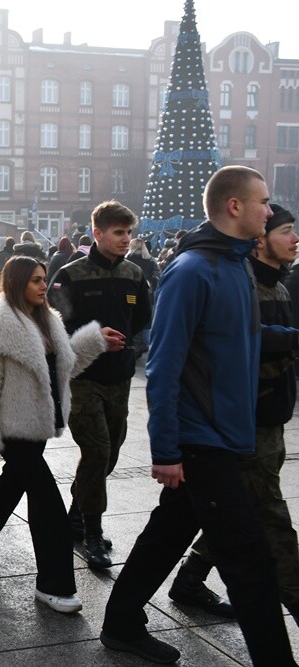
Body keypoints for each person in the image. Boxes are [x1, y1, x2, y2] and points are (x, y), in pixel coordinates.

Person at [100, 166, 298, 666]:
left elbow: (245, 340)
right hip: (201, 438)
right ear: (235, 207)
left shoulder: (234, 267)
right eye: (264, 202)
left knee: (167, 535)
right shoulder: (192, 271)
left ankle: (121, 623)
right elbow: (164, 366)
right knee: (250, 559)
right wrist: (166, 449)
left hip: (227, 435)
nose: (270, 211)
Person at [0, 255, 121, 614]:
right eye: (35, 280)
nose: (42, 285)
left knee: (14, 483)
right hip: (13, 425)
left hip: (40, 424)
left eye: (43, 279)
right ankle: (54, 584)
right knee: (48, 503)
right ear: (17, 283)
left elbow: (65, 369)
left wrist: (95, 340)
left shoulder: (48, 320)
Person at [165, 203, 299, 623]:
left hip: (270, 417)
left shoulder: (277, 286)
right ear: (261, 241)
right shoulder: (240, 285)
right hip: (244, 422)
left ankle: (186, 579)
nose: (295, 239)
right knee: (270, 519)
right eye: (287, 230)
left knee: (231, 506)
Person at [47, 201, 151, 571]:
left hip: (120, 378)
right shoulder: (71, 273)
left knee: (111, 454)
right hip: (82, 376)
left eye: (128, 233)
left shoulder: (135, 275)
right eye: (118, 233)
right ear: (98, 233)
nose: (125, 239)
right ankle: (93, 533)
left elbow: (141, 319)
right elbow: (54, 325)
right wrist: (93, 337)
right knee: (97, 451)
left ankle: (76, 512)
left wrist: (131, 345)